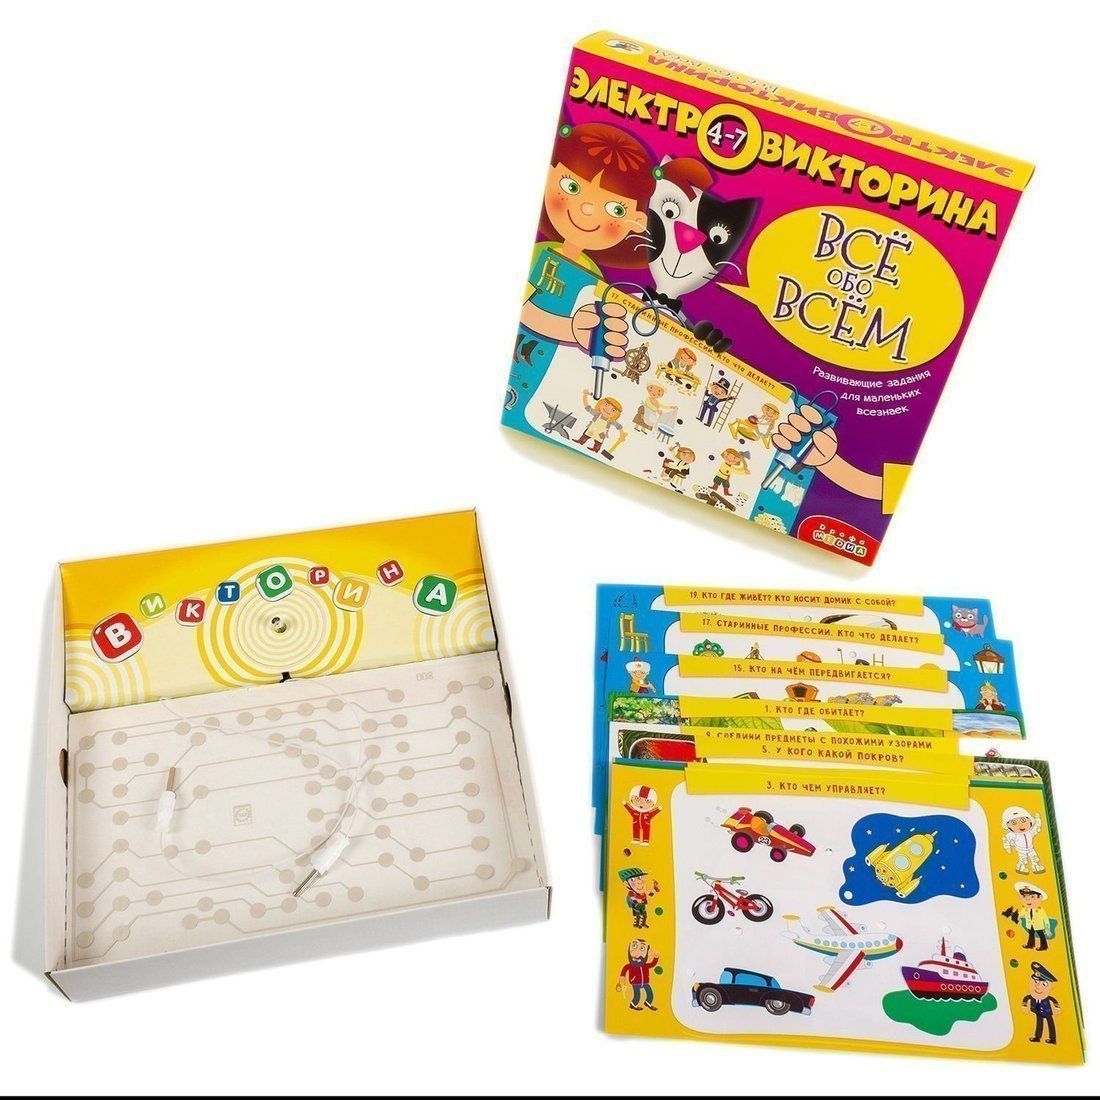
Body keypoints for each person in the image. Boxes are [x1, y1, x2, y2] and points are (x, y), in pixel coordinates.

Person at [518, 122, 656, 362]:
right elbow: (525, 312)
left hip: (546, 364)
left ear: (636, 222)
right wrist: (571, 330)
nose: (587, 209)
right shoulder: (539, 253)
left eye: (616, 209)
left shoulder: (595, 275)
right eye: (571, 187)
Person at [574, 391, 626, 455]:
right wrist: (585, 395)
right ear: (600, 403)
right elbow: (587, 407)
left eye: (613, 410)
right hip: (592, 429)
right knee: (585, 435)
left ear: (616, 414)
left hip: (601, 433)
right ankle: (581, 441)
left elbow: (619, 427)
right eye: (606, 404)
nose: (608, 409)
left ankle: (596, 449)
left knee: (598, 441)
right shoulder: (597, 414)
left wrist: (621, 435)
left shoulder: (611, 421)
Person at [1022, 961, 1060, 1044]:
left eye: (1044, 984)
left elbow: (1053, 1000)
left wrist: (1057, 1008)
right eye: (1036, 982)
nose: (1038, 986)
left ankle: (1052, 1039)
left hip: (1047, 1012)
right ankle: (1037, 1037)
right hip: (1037, 1011)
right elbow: (1026, 998)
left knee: (1050, 1024)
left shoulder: (1047, 997)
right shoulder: (1032, 996)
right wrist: (1024, 1006)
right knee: (1039, 1024)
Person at [616, 939, 659, 1011]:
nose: (637, 953)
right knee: (637, 995)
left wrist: (656, 958)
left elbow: (652, 964)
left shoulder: (645, 965)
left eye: (642, 948)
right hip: (635, 982)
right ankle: (633, 1004)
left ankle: (648, 1002)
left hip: (645, 982)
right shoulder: (629, 966)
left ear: (647, 952)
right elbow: (624, 969)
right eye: (634, 946)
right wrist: (622, 977)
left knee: (650, 993)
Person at [1002, 806, 1044, 874]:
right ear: (1006, 826)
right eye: (1014, 823)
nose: (1021, 825)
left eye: (1023, 820)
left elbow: (1037, 827)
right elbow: (1006, 840)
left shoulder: (1030, 832)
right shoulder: (1013, 835)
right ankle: (1020, 868)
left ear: (1030, 820)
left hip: (1030, 848)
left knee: (1034, 858)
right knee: (1023, 860)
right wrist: (1007, 847)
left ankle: (1036, 867)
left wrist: (1038, 819)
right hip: (1021, 850)